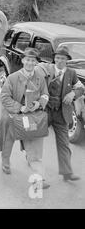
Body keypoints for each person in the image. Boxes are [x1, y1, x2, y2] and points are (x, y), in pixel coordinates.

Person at [0, 48, 50, 189]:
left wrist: (38, 103)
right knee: (8, 140)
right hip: (12, 115)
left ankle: (39, 177)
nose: (30, 63)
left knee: (32, 143)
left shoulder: (40, 77)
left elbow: (45, 95)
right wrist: (19, 107)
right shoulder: (12, 77)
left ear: (36, 62)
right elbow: (4, 96)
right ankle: (5, 161)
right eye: (27, 60)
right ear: (22, 60)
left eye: (33, 60)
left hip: (31, 117)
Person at [36, 45, 84, 181]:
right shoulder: (46, 68)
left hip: (61, 113)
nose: (59, 61)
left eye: (62, 58)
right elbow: (34, 73)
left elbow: (81, 88)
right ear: (54, 59)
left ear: (67, 60)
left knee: (64, 142)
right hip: (45, 111)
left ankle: (66, 172)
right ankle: (31, 157)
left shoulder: (71, 73)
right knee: (35, 138)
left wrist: (73, 93)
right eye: (57, 58)